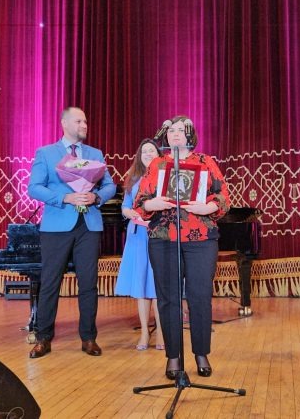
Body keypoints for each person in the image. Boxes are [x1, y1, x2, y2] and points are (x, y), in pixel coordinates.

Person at [134, 116, 230, 379]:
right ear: (166, 136)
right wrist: (155, 204)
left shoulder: (206, 161)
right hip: (164, 239)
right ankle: (174, 356)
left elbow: (223, 197)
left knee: (200, 296)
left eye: (181, 129)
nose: (175, 133)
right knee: (168, 299)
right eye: (171, 130)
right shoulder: (157, 164)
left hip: (201, 239)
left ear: (190, 135)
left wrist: (207, 207)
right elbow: (140, 203)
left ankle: (201, 353)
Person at [26, 107, 117, 359]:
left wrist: (96, 196)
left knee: (88, 283)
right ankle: (43, 338)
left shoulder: (95, 154)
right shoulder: (46, 153)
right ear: (64, 123)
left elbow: (110, 185)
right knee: (50, 283)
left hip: (89, 225)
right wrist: (64, 197)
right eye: (79, 121)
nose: (84, 125)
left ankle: (89, 338)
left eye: (85, 121)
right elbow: (34, 188)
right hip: (56, 227)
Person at [114, 138, 165, 351]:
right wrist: (130, 213)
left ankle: (161, 332)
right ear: (139, 156)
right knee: (142, 285)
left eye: (152, 150)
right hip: (138, 236)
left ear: (159, 154)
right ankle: (144, 332)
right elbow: (125, 206)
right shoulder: (133, 178)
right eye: (144, 151)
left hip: (160, 234)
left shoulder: (165, 176)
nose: (148, 154)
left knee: (159, 286)